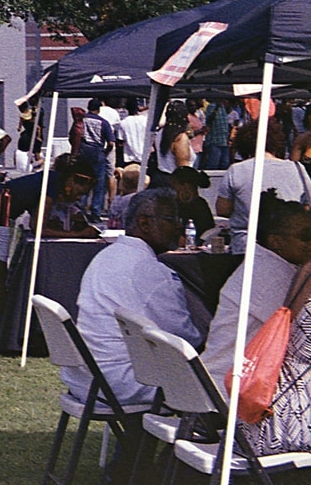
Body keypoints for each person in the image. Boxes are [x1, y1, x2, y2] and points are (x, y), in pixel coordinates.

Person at [62, 189, 201, 407]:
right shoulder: (150, 270)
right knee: (217, 379)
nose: (178, 227)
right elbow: (186, 342)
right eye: (171, 219)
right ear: (144, 223)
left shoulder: (106, 256)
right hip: (123, 383)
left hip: (86, 377)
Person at [199, 192, 311, 391]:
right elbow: (300, 338)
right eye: (306, 237)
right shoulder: (271, 275)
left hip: (220, 380)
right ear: (275, 241)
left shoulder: (261, 265)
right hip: (234, 389)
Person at [218, 117, 311, 253]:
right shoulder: (297, 168)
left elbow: (223, 209)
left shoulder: (237, 169)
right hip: (287, 247)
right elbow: (306, 206)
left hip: (246, 246)